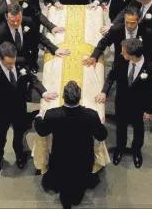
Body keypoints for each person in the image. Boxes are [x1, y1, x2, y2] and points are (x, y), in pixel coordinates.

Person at [0, 41, 58, 176]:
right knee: (0, 139)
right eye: (8, 64)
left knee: (19, 135)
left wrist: (44, 92)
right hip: (1, 112)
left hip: (19, 109)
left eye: (13, 62)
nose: (12, 65)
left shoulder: (21, 63)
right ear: (0, 59)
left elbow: (32, 79)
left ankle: (20, 155)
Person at [36, 80, 107, 208]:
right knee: (80, 177)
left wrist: (39, 116)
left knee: (63, 176)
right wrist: (100, 124)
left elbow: (41, 131)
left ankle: (66, 200)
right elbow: (102, 135)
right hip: (83, 156)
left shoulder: (53, 115)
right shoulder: (91, 115)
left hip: (61, 155)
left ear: (63, 97)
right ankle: (77, 197)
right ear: (79, 97)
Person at [96, 39, 152, 168]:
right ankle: (120, 148)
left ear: (133, 54)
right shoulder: (121, 59)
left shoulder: (151, 67)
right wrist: (104, 91)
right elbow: (112, 75)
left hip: (139, 105)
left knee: (138, 129)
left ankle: (136, 151)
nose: (121, 53)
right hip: (122, 101)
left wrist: (149, 110)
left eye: (124, 52)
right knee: (121, 126)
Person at [0, 3, 69, 69]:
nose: (16, 23)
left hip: (27, 60)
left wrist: (54, 49)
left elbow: (38, 36)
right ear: (6, 17)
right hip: (9, 65)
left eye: (18, 20)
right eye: (12, 21)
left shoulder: (28, 22)